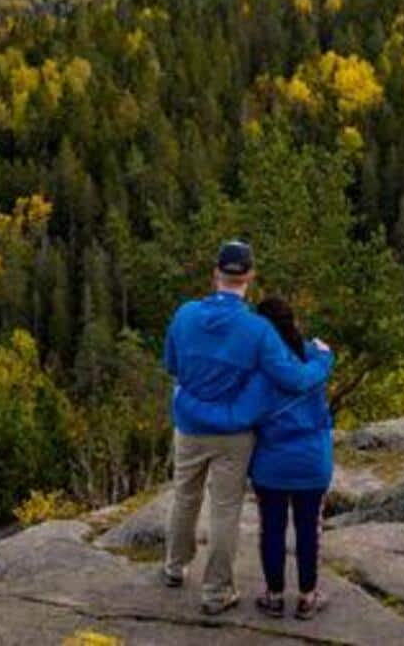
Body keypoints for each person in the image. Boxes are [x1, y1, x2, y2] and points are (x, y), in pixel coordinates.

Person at [161, 239, 332, 615]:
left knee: (185, 496)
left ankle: (174, 567)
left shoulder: (184, 315)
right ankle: (216, 593)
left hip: (189, 425)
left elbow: (171, 365)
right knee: (224, 510)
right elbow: (295, 378)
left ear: (215, 274)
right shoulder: (257, 330)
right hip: (233, 434)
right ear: (250, 277)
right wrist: (323, 359)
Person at [245, 297, 335, 620]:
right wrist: (324, 356)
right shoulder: (315, 356)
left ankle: (274, 596)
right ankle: (308, 597)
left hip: (271, 464)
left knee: (272, 529)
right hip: (312, 461)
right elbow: (324, 359)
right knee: (309, 529)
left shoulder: (257, 368)